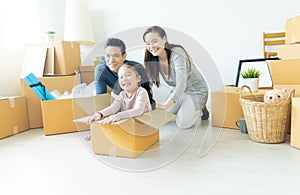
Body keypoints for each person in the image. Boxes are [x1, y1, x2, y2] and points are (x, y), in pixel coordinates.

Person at [143, 26, 209, 129]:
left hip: (196, 90)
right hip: (181, 93)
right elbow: (147, 83)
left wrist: (165, 106)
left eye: (154, 41)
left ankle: (199, 108)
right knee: (163, 117)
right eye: (147, 43)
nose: (151, 46)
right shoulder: (155, 60)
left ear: (164, 39)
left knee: (182, 123)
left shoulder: (177, 53)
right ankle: (188, 105)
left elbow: (181, 85)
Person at [85, 64, 152, 141]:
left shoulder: (141, 92)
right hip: (129, 125)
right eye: (121, 77)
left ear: (138, 78)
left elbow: (138, 110)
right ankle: (98, 133)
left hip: (142, 127)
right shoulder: (122, 94)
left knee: (115, 117)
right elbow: (113, 108)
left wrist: (118, 116)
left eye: (128, 75)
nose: (124, 79)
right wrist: (100, 113)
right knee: (109, 119)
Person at [94, 38, 156, 109]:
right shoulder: (101, 70)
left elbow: (145, 96)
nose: (111, 60)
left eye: (116, 56)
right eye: (108, 56)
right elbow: (100, 97)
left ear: (124, 56)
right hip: (117, 96)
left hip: (136, 98)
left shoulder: (137, 68)